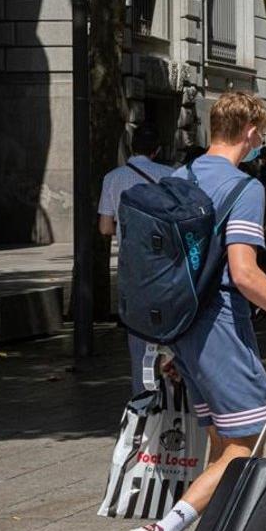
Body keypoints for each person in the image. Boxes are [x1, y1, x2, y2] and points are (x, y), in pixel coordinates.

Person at [123, 91, 266, 531]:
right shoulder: (244, 188)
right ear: (253, 132)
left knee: (221, 439)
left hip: (180, 329)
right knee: (247, 444)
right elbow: (245, 273)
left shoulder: (179, 179)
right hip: (221, 329)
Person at [97, 125, 174, 397]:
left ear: (131, 148)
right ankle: (172, 388)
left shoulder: (113, 178)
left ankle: (142, 396)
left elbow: (105, 228)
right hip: (166, 264)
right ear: (158, 150)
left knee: (138, 332)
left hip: (132, 266)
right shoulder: (170, 175)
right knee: (169, 326)